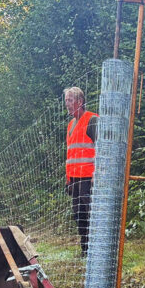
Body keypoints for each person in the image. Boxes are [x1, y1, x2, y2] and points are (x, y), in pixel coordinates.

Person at [63, 86, 98, 255]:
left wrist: (97, 173)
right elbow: (70, 154)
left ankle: (96, 249)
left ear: (80, 101)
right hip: (75, 178)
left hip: (88, 176)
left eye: (70, 100)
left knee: (91, 213)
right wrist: (68, 178)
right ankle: (85, 249)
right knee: (79, 215)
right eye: (66, 100)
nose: (67, 104)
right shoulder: (70, 124)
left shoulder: (92, 119)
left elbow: (102, 148)